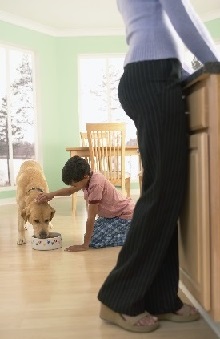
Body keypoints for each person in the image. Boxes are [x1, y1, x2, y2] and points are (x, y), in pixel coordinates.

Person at [97, 0, 220, 334]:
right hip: (153, 77)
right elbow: (179, 12)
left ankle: (162, 297)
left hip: (151, 75)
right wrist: (214, 60)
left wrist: (181, 71)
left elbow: (155, 25)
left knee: (164, 196)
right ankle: (118, 298)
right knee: (161, 194)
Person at [36, 155, 134, 252]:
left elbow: (91, 217)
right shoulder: (86, 177)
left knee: (93, 240)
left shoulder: (96, 185)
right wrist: (51, 194)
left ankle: (136, 234)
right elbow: (70, 191)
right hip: (111, 215)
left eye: (74, 184)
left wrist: (84, 245)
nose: (73, 187)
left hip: (125, 215)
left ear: (85, 177)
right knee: (91, 234)